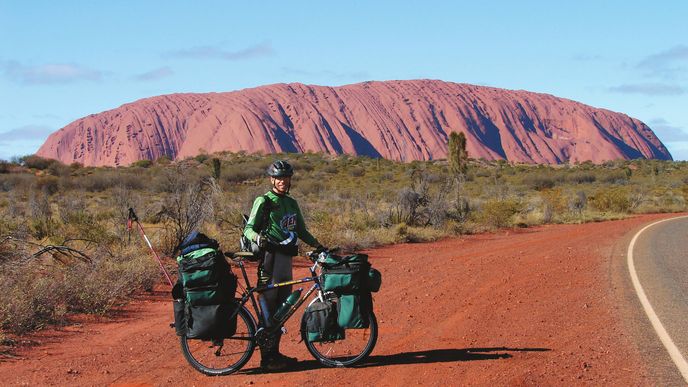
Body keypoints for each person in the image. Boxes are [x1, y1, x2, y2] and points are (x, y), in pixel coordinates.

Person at [243, 159, 323, 371]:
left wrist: (319, 246)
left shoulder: (292, 203)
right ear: (272, 179)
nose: (282, 181)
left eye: (285, 177)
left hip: (286, 259)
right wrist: (258, 238)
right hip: (269, 259)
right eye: (278, 177)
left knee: (283, 308)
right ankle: (266, 359)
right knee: (268, 307)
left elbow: (302, 231)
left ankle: (275, 355)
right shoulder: (264, 201)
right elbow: (248, 228)